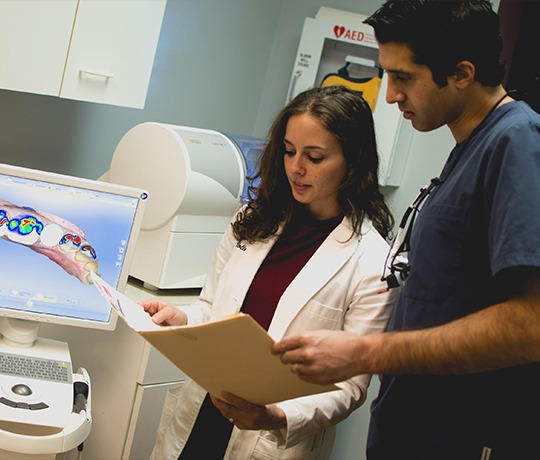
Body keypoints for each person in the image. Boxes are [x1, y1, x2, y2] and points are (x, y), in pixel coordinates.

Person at [273, 1, 540, 459]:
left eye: (404, 77)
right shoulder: (470, 148)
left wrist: (366, 354)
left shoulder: (515, 143)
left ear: (461, 73)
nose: (391, 94)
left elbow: (531, 322)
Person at [140, 85, 398, 459]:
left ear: (352, 162)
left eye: (315, 156)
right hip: (204, 410)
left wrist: (274, 416)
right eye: (289, 151)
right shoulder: (253, 220)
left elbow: (349, 387)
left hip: (272, 435)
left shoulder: (372, 263)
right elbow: (211, 308)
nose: (296, 167)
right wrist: (181, 319)